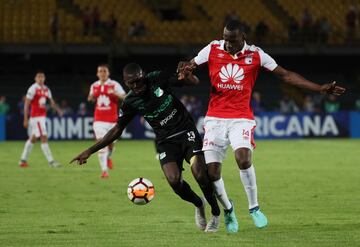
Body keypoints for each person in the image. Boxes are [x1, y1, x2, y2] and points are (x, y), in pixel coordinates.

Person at [177, 19, 346, 233]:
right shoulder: (212, 48)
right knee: (212, 173)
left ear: (243, 38)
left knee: (243, 158)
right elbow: (189, 66)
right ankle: (228, 210)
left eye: (232, 40)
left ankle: (254, 208)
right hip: (214, 119)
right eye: (225, 39)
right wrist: (184, 70)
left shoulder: (256, 55)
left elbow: (285, 75)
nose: (227, 44)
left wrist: (318, 88)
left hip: (241, 117)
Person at [71, 63, 221, 232]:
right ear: (126, 84)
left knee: (200, 173)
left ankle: (215, 213)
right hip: (165, 141)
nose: (136, 86)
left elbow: (190, 82)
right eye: (131, 83)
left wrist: (187, 77)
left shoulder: (157, 78)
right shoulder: (130, 101)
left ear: (143, 76)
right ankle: (199, 204)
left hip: (185, 131)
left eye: (138, 81)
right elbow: (117, 129)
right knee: (174, 181)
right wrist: (90, 151)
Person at [88, 64, 126, 178]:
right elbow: (90, 99)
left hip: (113, 121)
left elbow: (125, 97)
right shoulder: (94, 85)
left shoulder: (114, 84)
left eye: (104, 71)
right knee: (101, 143)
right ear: (97, 73)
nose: (102, 73)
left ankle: (108, 157)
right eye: (100, 71)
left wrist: (114, 93)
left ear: (108, 73)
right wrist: (92, 96)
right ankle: (104, 171)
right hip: (99, 120)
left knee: (111, 146)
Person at [19, 71, 63, 168]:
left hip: (42, 117)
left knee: (33, 139)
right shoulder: (33, 88)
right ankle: (51, 162)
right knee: (44, 137)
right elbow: (26, 104)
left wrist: (58, 110)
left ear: (44, 78)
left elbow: (51, 102)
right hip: (36, 117)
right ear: (35, 79)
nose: (40, 78)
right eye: (38, 77)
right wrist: (25, 119)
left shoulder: (46, 89)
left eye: (42, 77)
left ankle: (23, 160)